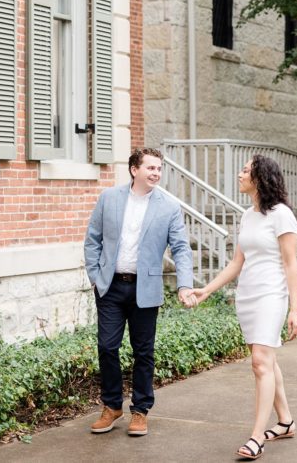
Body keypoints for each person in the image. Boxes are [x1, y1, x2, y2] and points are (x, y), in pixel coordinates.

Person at [187, 154, 297, 460]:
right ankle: (286, 421)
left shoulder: (282, 215)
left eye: (245, 171)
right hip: (248, 297)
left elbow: (291, 265)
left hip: (271, 296)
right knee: (267, 361)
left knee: (260, 363)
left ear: (260, 178)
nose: (240, 175)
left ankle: (256, 438)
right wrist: (207, 290)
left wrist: (294, 309)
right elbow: (238, 262)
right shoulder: (248, 216)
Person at [83, 148, 195, 437]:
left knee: (143, 352)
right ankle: (111, 406)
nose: (156, 173)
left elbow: (181, 248)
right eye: (151, 168)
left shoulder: (168, 207)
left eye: (159, 168)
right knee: (107, 347)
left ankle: (140, 411)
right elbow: (93, 238)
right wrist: (95, 276)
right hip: (110, 286)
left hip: (145, 289)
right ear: (135, 169)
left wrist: (184, 284)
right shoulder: (109, 198)